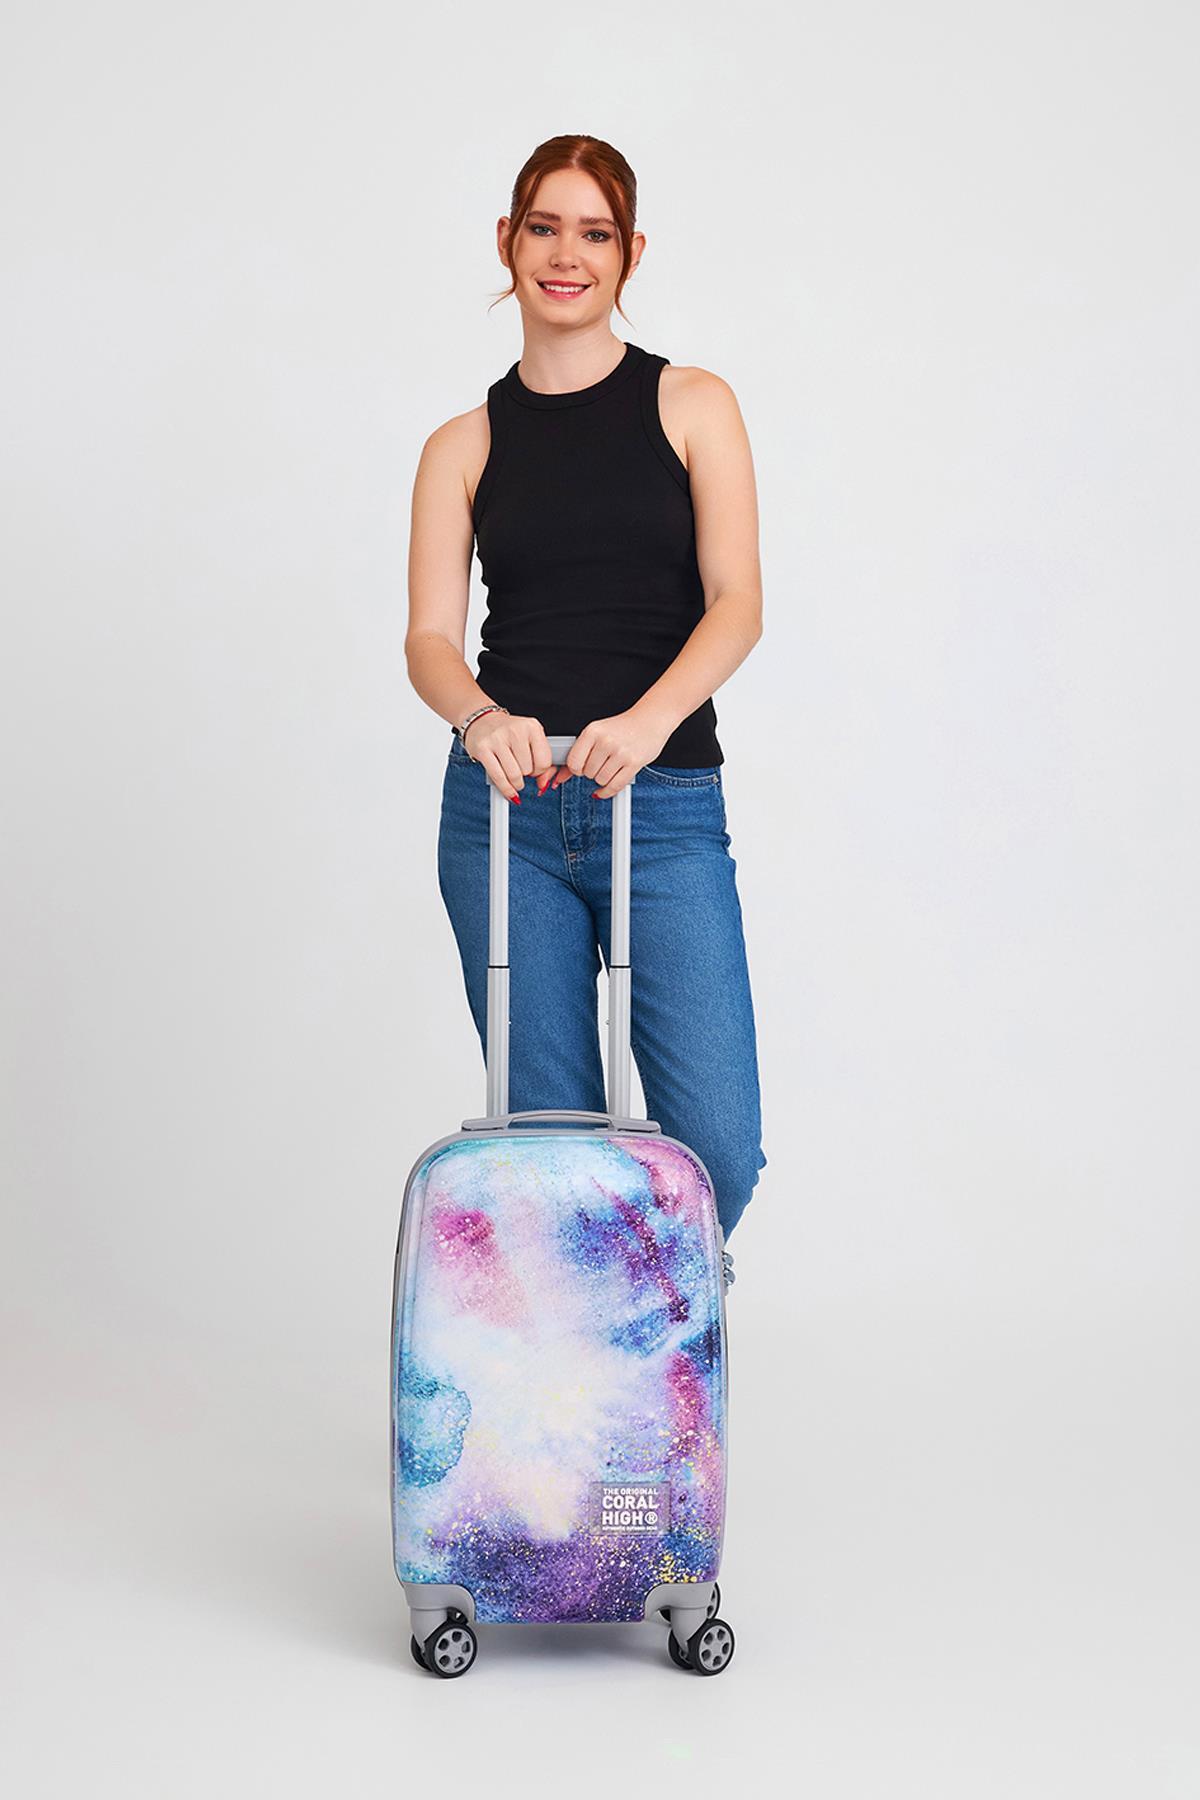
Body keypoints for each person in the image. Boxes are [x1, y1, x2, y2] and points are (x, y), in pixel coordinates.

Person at [405, 135, 767, 1287]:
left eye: (595, 232)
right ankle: (593, 1368)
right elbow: (428, 641)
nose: (568, 255)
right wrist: (480, 720)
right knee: (554, 1156)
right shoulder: (462, 446)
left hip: (659, 809)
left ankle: (651, 1316)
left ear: (631, 252)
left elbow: (737, 603)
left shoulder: (692, 404)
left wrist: (648, 722)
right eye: (545, 227)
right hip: (505, 814)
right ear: (507, 243)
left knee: (718, 1146)